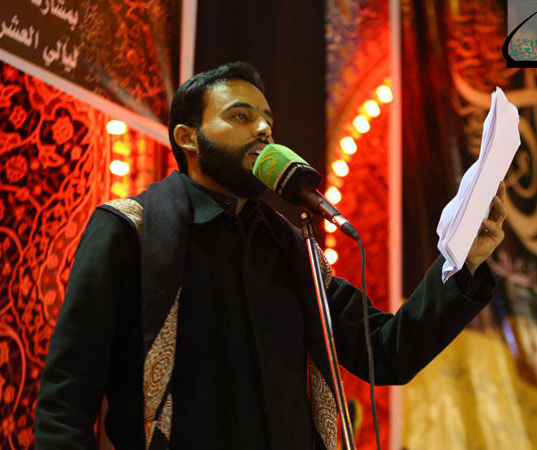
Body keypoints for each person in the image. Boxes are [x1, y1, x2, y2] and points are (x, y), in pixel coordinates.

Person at [35, 62, 507, 450]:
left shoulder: (295, 254)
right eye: (240, 117)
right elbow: (67, 397)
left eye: (267, 121)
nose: (263, 130)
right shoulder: (128, 232)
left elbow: (386, 352)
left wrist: (463, 264)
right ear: (188, 138)